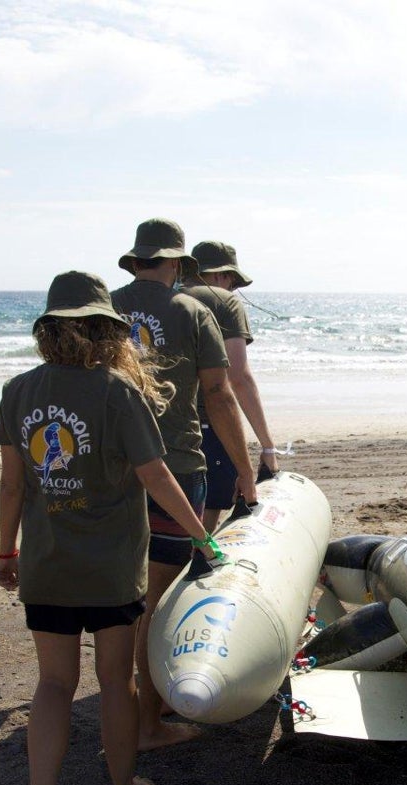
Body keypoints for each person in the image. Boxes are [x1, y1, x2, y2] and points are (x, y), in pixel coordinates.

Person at [0, 271, 220, 785]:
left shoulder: (18, 390)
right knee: (115, 682)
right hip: (112, 568)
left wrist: (6, 551)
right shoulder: (119, 392)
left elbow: (13, 485)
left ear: (49, 330)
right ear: (107, 331)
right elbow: (157, 476)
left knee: (52, 684)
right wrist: (201, 534)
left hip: (47, 564)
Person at [110, 218, 258, 751]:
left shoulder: (103, 309)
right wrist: (244, 467)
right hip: (174, 468)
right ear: (175, 263)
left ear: (135, 260)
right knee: (159, 601)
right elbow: (219, 393)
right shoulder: (193, 310)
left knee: (116, 601)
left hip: (109, 476)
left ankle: (123, 712)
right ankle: (149, 724)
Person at [180, 240, 279, 532]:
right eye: (233, 282)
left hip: (153, 424)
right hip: (206, 424)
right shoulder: (224, 301)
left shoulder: (163, 300)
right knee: (204, 516)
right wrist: (267, 445)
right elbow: (238, 377)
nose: (233, 289)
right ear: (221, 275)